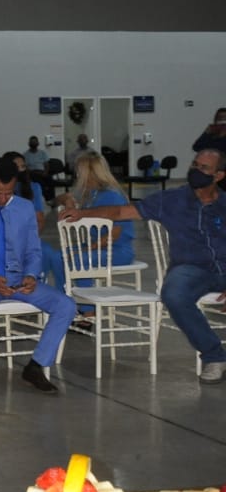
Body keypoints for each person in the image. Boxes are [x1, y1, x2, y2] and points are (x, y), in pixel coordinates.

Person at [61, 149, 226, 384]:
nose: (195, 171)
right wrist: (81, 213)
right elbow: (120, 212)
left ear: (218, 175)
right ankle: (214, 355)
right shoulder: (170, 200)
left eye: (204, 168)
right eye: (194, 165)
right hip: (191, 268)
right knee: (173, 294)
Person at [0, 158, 75, 393]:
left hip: (18, 280)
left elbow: (33, 250)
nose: (3, 198)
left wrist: (30, 275)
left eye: (9, 193)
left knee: (66, 306)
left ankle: (36, 365)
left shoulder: (24, 207)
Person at [43, 152, 135, 311]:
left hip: (117, 250)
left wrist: (87, 248)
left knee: (80, 260)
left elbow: (114, 235)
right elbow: (55, 200)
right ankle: (62, 304)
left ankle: (88, 311)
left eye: (79, 171)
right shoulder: (89, 194)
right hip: (95, 247)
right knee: (58, 257)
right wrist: (66, 200)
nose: (76, 174)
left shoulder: (112, 196)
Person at [24, 136, 55, 201]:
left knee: (50, 180)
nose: (33, 143)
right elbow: (26, 167)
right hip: (33, 173)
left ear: (38, 143)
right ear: (29, 143)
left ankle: (52, 199)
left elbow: (46, 165)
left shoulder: (42, 153)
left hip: (42, 172)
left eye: (35, 142)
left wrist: (45, 172)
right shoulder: (25, 155)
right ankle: (47, 198)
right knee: (40, 182)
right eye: (32, 142)